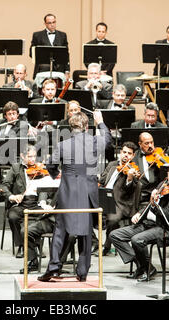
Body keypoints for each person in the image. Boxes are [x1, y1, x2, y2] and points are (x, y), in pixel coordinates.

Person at [38, 110, 112, 282]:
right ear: (86, 127)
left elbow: (51, 165)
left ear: (71, 128)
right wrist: (100, 122)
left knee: (60, 231)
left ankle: (54, 268)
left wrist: (57, 173)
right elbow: (108, 140)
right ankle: (82, 272)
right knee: (85, 233)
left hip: (68, 191)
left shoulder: (63, 145)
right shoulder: (94, 141)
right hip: (87, 192)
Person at [109, 161, 169, 281]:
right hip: (149, 224)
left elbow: (165, 214)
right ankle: (144, 266)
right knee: (115, 235)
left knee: (137, 240)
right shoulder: (163, 183)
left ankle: (146, 268)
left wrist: (153, 202)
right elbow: (147, 206)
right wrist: (140, 213)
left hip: (166, 229)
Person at [1, 144, 54, 259]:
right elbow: (4, 186)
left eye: (34, 157)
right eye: (29, 157)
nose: (33, 160)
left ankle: (37, 245)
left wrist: (43, 201)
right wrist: (12, 196)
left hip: (36, 202)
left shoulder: (40, 169)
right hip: (21, 203)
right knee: (13, 216)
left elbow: (46, 190)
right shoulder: (15, 168)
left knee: (45, 215)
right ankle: (21, 245)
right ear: (22, 156)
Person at [98, 141, 141, 256]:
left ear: (133, 156)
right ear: (120, 153)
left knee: (113, 219)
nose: (126, 155)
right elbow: (102, 180)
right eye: (124, 152)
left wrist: (130, 177)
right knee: (86, 212)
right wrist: (116, 170)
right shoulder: (112, 164)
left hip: (120, 203)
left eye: (129, 153)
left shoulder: (134, 169)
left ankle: (107, 245)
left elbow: (130, 189)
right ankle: (93, 242)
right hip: (104, 196)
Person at [132, 132, 169, 206]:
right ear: (140, 144)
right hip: (141, 193)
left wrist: (161, 159)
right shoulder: (134, 156)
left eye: (152, 142)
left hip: (157, 192)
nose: (150, 146)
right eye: (146, 143)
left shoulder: (159, 153)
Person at [29, 13, 70, 79]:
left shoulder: (63, 35)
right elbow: (32, 53)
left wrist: (67, 70)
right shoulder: (37, 35)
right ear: (45, 24)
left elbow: (66, 54)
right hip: (43, 70)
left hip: (59, 70)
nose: (52, 25)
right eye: (49, 23)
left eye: (54, 22)